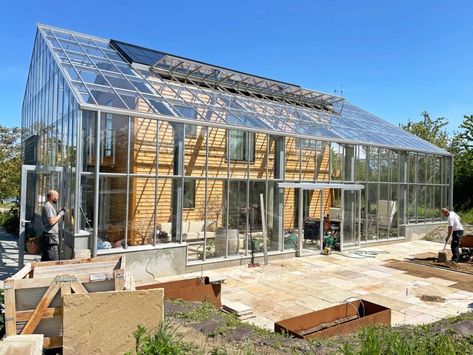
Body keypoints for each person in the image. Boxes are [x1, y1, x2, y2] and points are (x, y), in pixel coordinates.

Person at [41, 190, 65, 261]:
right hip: (50, 236)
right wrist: (60, 214)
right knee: (53, 258)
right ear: (52, 196)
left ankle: (42, 271)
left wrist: (57, 214)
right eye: (57, 196)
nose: (58, 198)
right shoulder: (48, 207)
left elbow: (51, 218)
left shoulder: (48, 206)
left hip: (48, 235)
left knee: (46, 257)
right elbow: (51, 222)